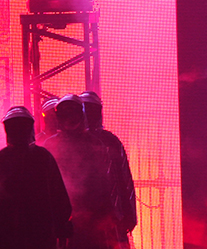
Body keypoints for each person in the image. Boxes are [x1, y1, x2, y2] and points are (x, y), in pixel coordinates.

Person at [42, 94, 118, 249]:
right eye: (65, 114)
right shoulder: (51, 144)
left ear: (81, 115)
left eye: (73, 113)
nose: (69, 118)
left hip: (90, 216)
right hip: (62, 215)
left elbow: (103, 182)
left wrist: (107, 215)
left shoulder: (94, 143)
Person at [0, 105, 72, 249]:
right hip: (37, 233)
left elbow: (59, 196)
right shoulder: (42, 156)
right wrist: (63, 229)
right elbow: (60, 198)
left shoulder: (5, 158)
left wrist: (62, 228)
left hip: (16, 234)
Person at [80, 91, 137, 247]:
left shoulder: (110, 140)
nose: (89, 114)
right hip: (87, 216)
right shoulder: (73, 141)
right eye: (86, 109)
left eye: (92, 109)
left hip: (110, 216)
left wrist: (129, 215)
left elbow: (124, 180)